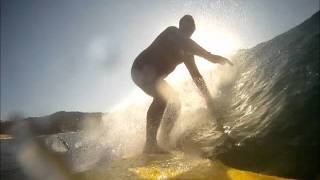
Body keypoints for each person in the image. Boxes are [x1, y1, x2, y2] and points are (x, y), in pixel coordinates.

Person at [131, 15, 233, 154]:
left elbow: (197, 77)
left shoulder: (188, 55)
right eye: (185, 26)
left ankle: (164, 139)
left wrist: (208, 99)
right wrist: (210, 56)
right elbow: (187, 44)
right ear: (180, 26)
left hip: (154, 77)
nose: (188, 31)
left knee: (176, 102)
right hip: (140, 68)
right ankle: (150, 144)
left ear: (193, 30)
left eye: (191, 28)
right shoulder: (171, 32)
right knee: (162, 98)